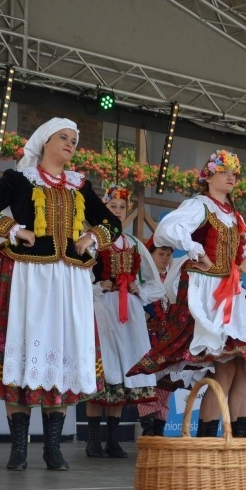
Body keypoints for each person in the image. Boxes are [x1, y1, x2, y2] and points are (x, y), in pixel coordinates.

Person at [0, 117, 122, 471]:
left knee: (61, 354)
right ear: (45, 141)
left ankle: (53, 449)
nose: (70, 144)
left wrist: (90, 238)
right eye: (63, 138)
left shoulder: (79, 185)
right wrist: (14, 229)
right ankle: (18, 449)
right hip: (28, 278)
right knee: (23, 352)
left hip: (69, 281)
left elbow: (112, 222)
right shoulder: (19, 178)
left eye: (74, 140)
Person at [127, 149, 246, 438]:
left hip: (231, 294)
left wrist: (243, 264)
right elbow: (168, 228)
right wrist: (196, 250)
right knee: (224, 367)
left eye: (235, 173)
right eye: (225, 172)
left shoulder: (233, 215)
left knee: (243, 365)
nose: (232, 177)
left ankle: (240, 433)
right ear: (209, 177)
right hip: (206, 292)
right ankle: (207, 436)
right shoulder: (200, 205)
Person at [84, 185, 164, 457]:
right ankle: (93, 439)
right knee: (103, 368)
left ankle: (112, 439)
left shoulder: (134, 243)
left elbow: (155, 284)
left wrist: (139, 290)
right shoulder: (91, 241)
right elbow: (76, 279)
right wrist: (98, 286)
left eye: (121, 207)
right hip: (102, 309)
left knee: (122, 369)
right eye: (112, 207)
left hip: (128, 312)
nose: (117, 211)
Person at [137, 238, 176, 437]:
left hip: (167, 340)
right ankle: (148, 432)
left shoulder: (174, 279)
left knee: (165, 387)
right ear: (150, 256)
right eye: (161, 254)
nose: (165, 258)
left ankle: (159, 433)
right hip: (147, 339)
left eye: (168, 255)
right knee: (147, 385)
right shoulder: (142, 279)